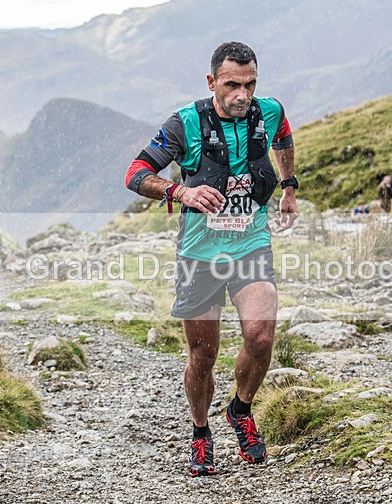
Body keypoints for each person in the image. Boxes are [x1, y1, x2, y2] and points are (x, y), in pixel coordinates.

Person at [123, 42, 298, 476]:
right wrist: (180, 191)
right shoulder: (185, 123)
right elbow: (135, 174)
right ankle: (201, 432)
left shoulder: (269, 111)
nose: (243, 94)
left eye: (251, 84)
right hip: (199, 255)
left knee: (260, 337)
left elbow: (283, 137)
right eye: (232, 85)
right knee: (203, 355)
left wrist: (290, 187)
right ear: (212, 82)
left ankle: (240, 409)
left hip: (250, 245)